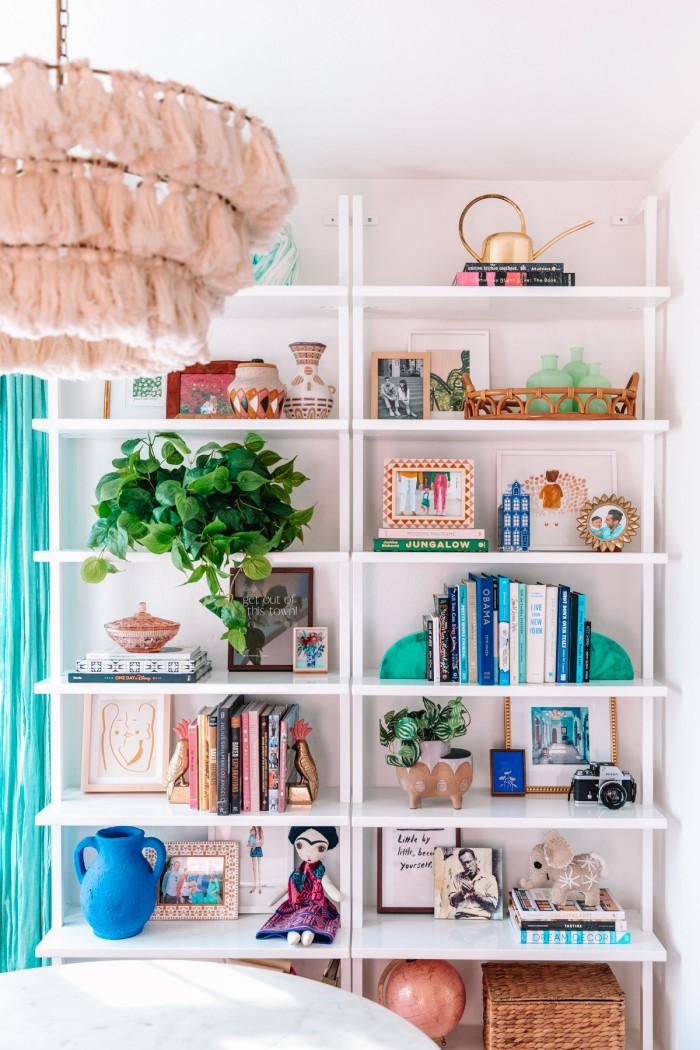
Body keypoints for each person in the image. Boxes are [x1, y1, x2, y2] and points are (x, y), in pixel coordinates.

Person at [256, 826, 342, 946]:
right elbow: (285, 888)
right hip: (295, 904)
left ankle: (308, 932)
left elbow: (327, 884)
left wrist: (336, 894)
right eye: (301, 846)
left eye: (320, 848)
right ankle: (293, 932)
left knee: (311, 914)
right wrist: (272, 899)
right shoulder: (297, 874)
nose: (308, 854)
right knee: (294, 915)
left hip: (316, 905)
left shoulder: (320, 871)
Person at [448, 847, 499, 919]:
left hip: (481, 919)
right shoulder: (456, 877)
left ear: (476, 860)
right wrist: (462, 892)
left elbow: (492, 907)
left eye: (469, 862)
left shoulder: (489, 879)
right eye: (463, 864)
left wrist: (474, 893)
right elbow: (452, 902)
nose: (467, 866)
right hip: (460, 920)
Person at [248, 826, 264, 894]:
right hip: (253, 849)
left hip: (258, 849)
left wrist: (254, 845)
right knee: (254, 868)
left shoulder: (261, 831)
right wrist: (253, 845)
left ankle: (259, 886)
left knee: (259, 867)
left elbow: (262, 842)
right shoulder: (252, 830)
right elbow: (249, 842)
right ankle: (254, 885)